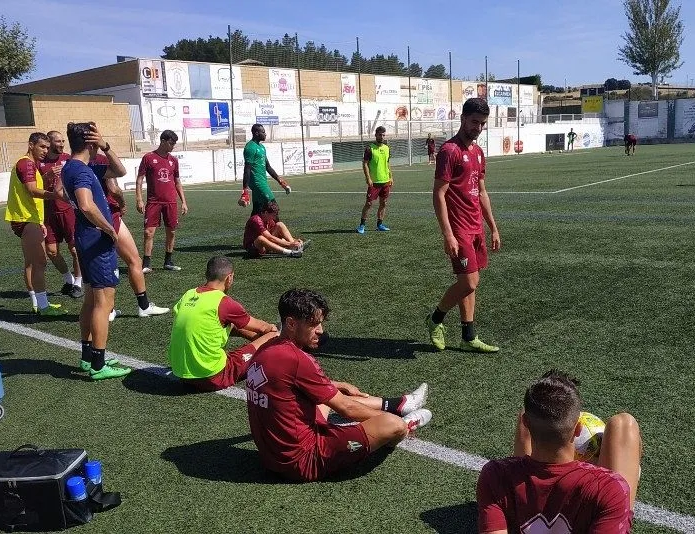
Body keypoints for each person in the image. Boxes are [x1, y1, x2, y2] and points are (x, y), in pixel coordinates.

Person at [245, 288, 432, 482]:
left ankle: (400, 404)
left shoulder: (266, 348)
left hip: (271, 458)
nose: (321, 331)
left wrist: (336, 384)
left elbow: (280, 384)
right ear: (291, 323)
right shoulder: (297, 359)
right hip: (304, 461)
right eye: (314, 324)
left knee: (328, 395)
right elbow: (347, 408)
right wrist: (390, 422)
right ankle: (406, 423)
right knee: (391, 424)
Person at [476, 369, 642, 534]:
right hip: (600, 496)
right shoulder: (610, 487)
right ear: (578, 428)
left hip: (519, 498)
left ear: (526, 423)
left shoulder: (495, 474)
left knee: (530, 412)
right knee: (623, 424)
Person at [425, 98, 501, 353]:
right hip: (459, 228)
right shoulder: (449, 151)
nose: (478, 128)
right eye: (474, 122)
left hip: (476, 226)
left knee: (471, 282)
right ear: (463, 119)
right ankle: (435, 319)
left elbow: (481, 191)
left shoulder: (478, 153)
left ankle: (468, 337)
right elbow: (438, 194)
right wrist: (447, 233)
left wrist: (492, 226)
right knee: (468, 283)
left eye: (482, 124)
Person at [61, 122, 131, 380]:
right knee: (104, 303)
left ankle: (87, 357)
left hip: (85, 239)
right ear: (90, 142)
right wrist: (109, 229)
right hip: (96, 241)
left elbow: (120, 171)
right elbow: (87, 205)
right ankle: (99, 365)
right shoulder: (81, 171)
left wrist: (106, 147)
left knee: (91, 300)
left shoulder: (75, 166)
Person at [88, 126, 169, 320]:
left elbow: (60, 193)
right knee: (133, 261)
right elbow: (114, 189)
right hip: (109, 215)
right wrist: (122, 203)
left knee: (98, 265)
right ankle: (142, 306)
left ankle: (108, 309)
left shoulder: (70, 164)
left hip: (87, 221)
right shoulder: (99, 160)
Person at [168, 256, 278, 391]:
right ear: (229, 278)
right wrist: (272, 330)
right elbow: (264, 327)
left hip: (181, 374)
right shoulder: (223, 302)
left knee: (229, 324)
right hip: (211, 377)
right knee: (272, 335)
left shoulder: (188, 294)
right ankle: (285, 347)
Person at [3, 132, 64, 316]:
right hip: (25, 218)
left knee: (31, 263)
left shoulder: (30, 164)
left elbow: (29, 190)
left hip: (30, 218)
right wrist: (57, 195)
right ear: (31, 145)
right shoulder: (27, 163)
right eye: (42, 147)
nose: (46, 151)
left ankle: (37, 303)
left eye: (47, 147)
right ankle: (43, 306)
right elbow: (31, 190)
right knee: (40, 262)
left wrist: (40, 221)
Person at [38, 131, 83, 299]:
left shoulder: (68, 159)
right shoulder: (39, 162)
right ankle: (69, 279)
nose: (62, 144)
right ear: (49, 142)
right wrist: (47, 176)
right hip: (48, 213)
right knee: (51, 251)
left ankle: (78, 283)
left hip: (68, 211)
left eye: (63, 141)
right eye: (58, 141)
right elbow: (33, 186)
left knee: (74, 249)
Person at [136, 130, 188, 273]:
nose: (173, 146)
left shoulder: (173, 161)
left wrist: (183, 201)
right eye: (171, 143)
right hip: (153, 202)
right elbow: (139, 180)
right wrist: (139, 199)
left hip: (170, 202)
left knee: (171, 231)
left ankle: (168, 261)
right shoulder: (148, 158)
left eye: (174, 144)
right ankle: (146, 263)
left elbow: (177, 182)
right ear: (163, 141)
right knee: (148, 232)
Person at [239, 124, 290, 214]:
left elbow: (268, 167)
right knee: (274, 208)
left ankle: (251, 228)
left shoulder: (262, 147)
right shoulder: (250, 147)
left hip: (262, 181)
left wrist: (281, 181)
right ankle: (279, 228)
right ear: (256, 133)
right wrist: (245, 190)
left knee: (257, 210)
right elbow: (247, 169)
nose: (265, 134)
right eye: (263, 132)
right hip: (257, 183)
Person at [357, 126, 393, 234]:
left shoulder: (387, 148)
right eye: (380, 135)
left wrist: (391, 176)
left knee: (384, 203)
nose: (382, 137)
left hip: (385, 181)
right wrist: (368, 178)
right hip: (374, 182)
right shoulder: (370, 148)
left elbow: (387, 163)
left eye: (383, 135)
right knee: (368, 204)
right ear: (376, 135)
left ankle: (380, 224)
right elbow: (365, 164)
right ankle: (362, 225)